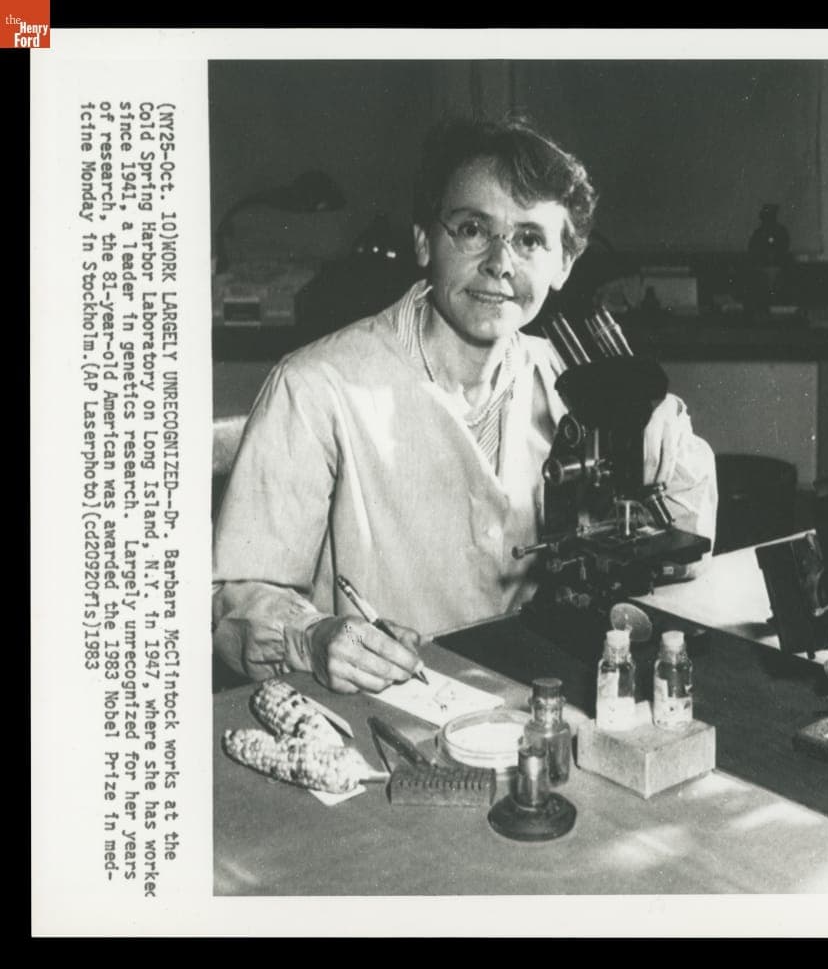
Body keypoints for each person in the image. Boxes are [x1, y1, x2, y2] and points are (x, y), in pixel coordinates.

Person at [213, 117, 718, 694]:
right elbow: (235, 603)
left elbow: (685, 549)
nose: (501, 262)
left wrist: (666, 436)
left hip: (538, 694)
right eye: (473, 229)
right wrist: (312, 636)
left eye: (530, 239)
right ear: (425, 240)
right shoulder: (316, 387)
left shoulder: (572, 380)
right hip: (390, 705)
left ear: (563, 265)